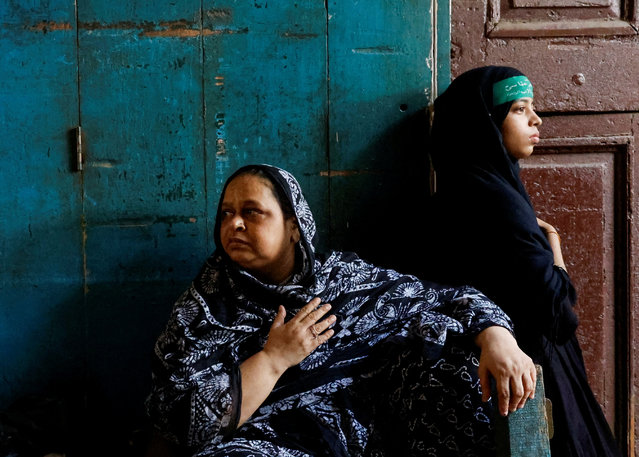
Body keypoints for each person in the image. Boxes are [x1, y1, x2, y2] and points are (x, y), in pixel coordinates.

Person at [145, 164, 535, 457]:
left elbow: (449, 299)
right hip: (261, 443)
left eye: (252, 212)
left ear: (294, 226)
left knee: (450, 359)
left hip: (361, 436)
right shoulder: (203, 309)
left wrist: (498, 338)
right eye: (226, 214)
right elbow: (179, 420)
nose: (235, 224)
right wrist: (273, 359)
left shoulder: (343, 281)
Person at [425, 65, 622, 457]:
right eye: (519, 109)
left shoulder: (464, 189)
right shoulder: (495, 200)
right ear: (485, 123)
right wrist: (554, 243)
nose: (536, 119)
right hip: (527, 370)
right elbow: (559, 314)